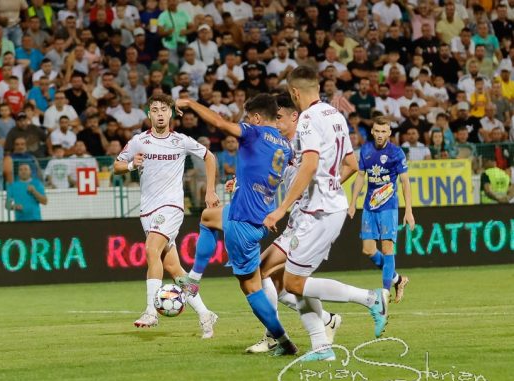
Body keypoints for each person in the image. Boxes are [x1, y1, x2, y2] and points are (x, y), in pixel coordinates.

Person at [263, 66, 388, 361]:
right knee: (293, 280)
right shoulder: (336, 116)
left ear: (294, 92)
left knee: (293, 283)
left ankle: (371, 299)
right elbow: (351, 164)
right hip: (327, 206)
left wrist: (281, 208)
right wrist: (329, 186)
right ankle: (322, 347)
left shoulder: (307, 119)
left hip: (318, 212)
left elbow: (309, 165)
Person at [175, 93, 299, 355]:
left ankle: (283, 340)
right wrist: (241, 182)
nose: (246, 122)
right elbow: (264, 170)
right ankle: (193, 280)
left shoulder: (253, 132)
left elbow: (220, 123)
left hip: (243, 221)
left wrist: (191, 104)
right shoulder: (285, 145)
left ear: (256, 118)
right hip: (259, 214)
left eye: (248, 117)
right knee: (208, 217)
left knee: (251, 287)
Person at [113, 94, 219, 337]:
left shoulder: (181, 141)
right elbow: (116, 165)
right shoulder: (139, 141)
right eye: (155, 109)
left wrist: (210, 190)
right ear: (149, 114)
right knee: (174, 267)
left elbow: (209, 157)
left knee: (151, 249)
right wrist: (131, 165)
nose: (160, 114)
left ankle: (151, 311)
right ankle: (205, 313)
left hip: (171, 207)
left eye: (164, 109)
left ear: (171, 113)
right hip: (147, 210)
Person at [348, 116, 414, 304]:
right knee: (368, 250)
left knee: (387, 249)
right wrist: (353, 202)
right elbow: (360, 176)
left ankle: (384, 294)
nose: (379, 135)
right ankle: (398, 279)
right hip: (369, 206)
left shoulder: (396, 153)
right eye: (377, 131)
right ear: (372, 131)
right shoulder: (366, 150)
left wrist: (408, 211)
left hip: (388, 207)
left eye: (383, 131)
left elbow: (405, 182)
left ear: (389, 133)